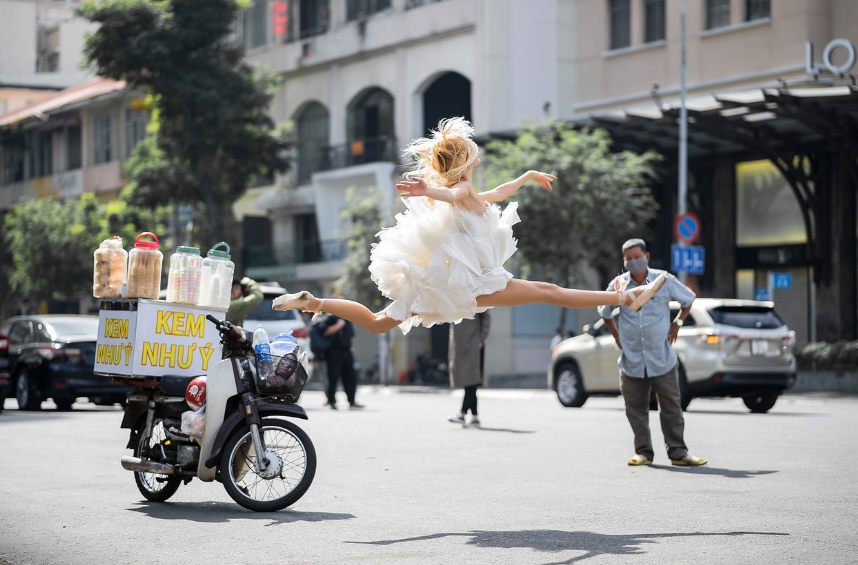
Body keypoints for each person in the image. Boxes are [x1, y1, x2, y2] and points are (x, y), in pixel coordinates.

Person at [272, 117, 667, 336]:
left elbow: (497, 192)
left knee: (377, 324)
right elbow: (456, 195)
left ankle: (315, 303)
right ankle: (624, 300)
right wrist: (430, 188)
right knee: (549, 290)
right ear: (467, 160)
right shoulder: (459, 189)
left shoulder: (470, 192)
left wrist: (529, 175)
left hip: (447, 285)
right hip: (473, 283)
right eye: (474, 152)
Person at [598, 238, 707, 467]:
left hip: (662, 358)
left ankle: (678, 453)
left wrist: (677, 322)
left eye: (637, 257)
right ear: (624, 260)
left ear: (646, 257)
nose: (633, 262)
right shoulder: (619, 284)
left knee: (671, 407)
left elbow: (688, 299)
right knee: (634, 409)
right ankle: (643, 453)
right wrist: (617, 335)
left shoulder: (663, 280)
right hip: (632, 360)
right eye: (628, 259)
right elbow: (605, 312)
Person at [314, 292, 363, 410]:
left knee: (350, 377)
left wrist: (351, 350)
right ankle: (331, 401)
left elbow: (351, 336)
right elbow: (325, 332)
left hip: (346, 352)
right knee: (333, 377)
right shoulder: (330, 318)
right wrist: (338, 326)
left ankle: (352, 401)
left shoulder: (347, 318)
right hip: (333, 352)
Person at [448, 311, 491, 427]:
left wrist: (482, 338)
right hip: (461, 343)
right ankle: (475, 416)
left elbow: (486, 315)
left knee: (472, 379)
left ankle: (462, 413)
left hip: (473, 342)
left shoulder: (476, 293)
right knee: (470, 379)